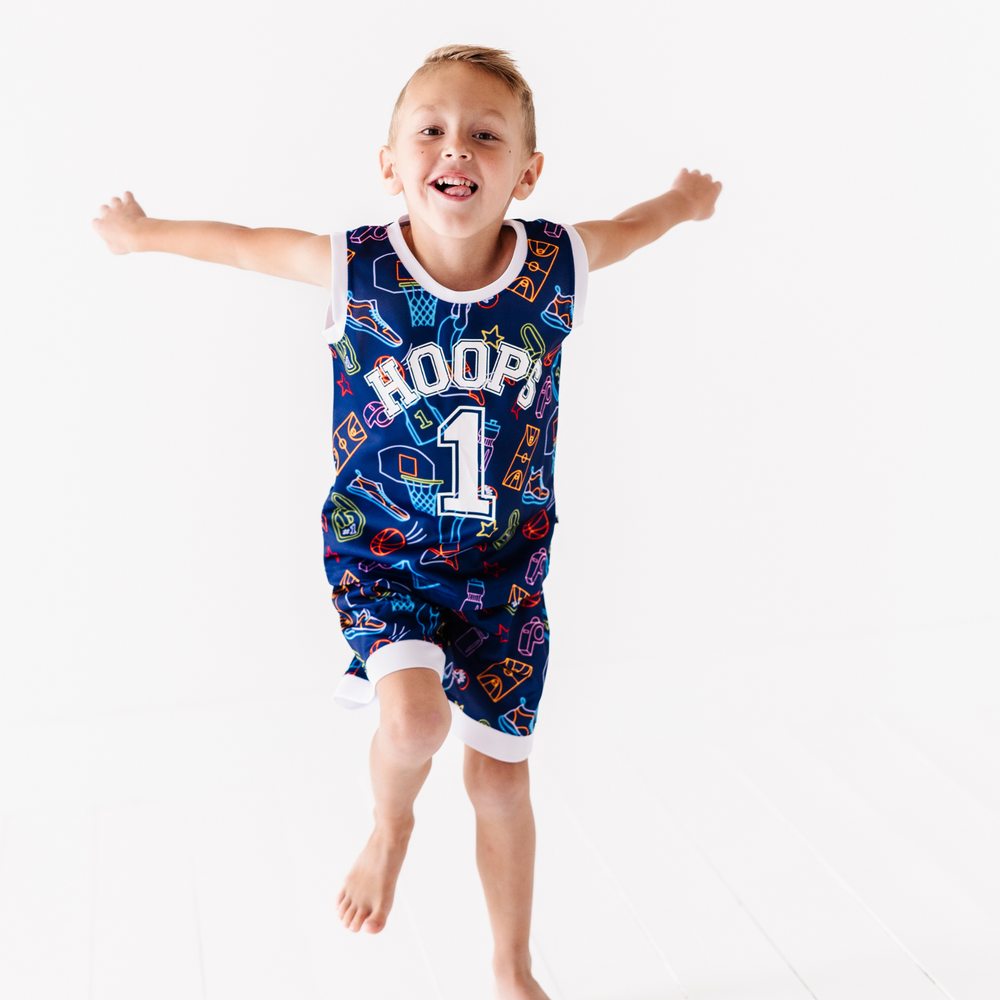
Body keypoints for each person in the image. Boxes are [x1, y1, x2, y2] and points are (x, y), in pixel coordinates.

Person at [92, 43, 722, 1000]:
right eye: (429, 130)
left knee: (503, 783)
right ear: (391, 165)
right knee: (417, 719)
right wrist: (144, 234)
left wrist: (682, 203)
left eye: (483, 133)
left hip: (508, 573)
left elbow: (632, 227)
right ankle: (389, 827)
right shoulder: (359, 268)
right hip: (382, 554)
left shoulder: (554, 266)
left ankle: (510, 968)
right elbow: (244, 240)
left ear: (525, 172)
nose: (454, 146)